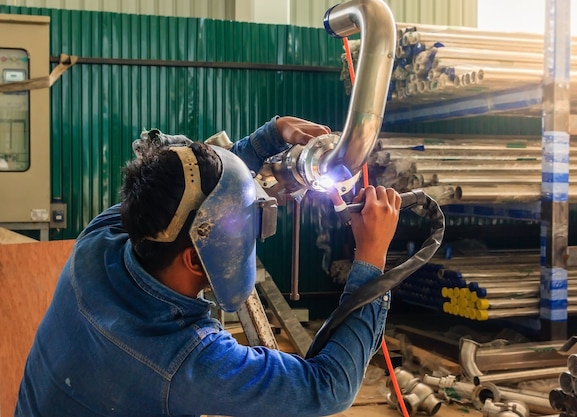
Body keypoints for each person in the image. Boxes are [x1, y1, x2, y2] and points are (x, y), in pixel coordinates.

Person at [15, 115, 401, 417]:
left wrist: (268, 138)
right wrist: (371, 258)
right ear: (195, 258)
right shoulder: (184, 360)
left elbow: (184, 185)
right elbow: (328, 387)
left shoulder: (102, 237)